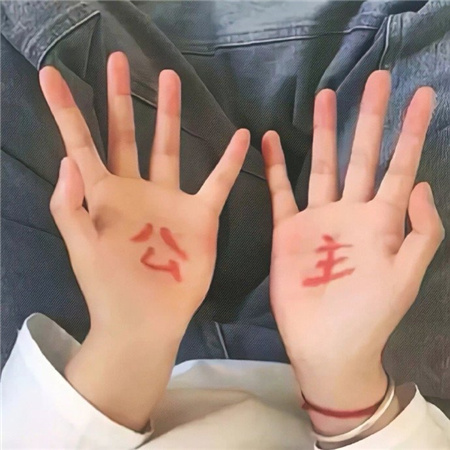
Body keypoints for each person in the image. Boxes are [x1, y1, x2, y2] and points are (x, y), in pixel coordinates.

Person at [1, 51, 449, 449]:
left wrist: (129, 339)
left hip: (95, 376)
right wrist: (341, 376)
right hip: (355, 375)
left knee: (26, 47)